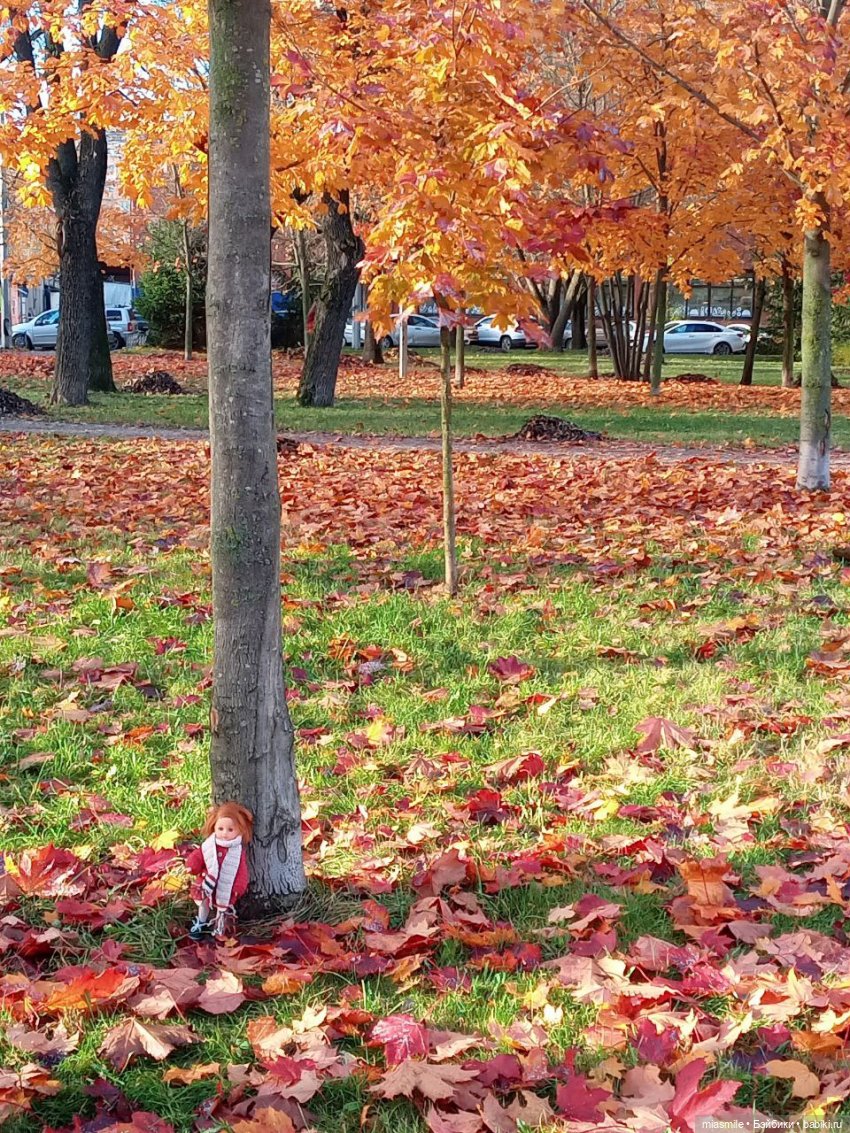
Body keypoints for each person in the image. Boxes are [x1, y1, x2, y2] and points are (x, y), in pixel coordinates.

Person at [185, 801, 252, 940]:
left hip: (225, 886)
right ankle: (201, 922)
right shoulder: (209, 846)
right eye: (220, 828)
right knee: (204, 904)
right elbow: (198, 856)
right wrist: (192, 866)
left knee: (223, 906)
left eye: (230, 830)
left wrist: (239, 886)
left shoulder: (237, 852)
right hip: (206, 883)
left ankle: (219, 926)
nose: (225, 834)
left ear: (240, 830)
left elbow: (241, 871)